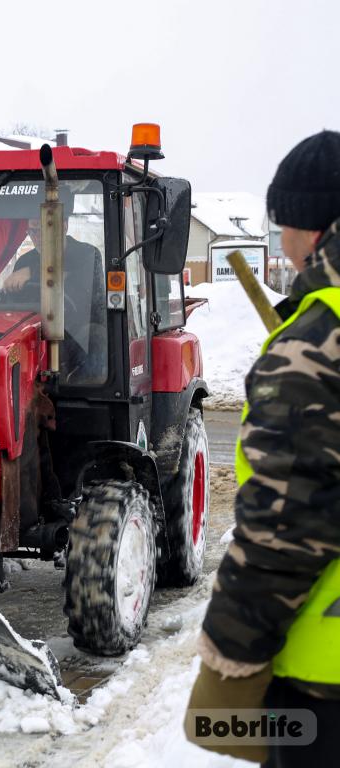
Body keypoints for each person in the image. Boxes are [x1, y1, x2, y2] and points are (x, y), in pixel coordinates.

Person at [187, 131, 340, 766]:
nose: (282, 241)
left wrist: (231, 662)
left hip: (321, 689)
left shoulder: (312, 346)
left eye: (286, 225)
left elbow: (286, 527)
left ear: (318, 231)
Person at [1, 207, 105, 383]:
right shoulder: (24, 261)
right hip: (37, 331)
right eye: (32, 231)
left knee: (97, 335)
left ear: (64, 226)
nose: (37, 236)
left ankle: (84, 389)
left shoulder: (87, 254)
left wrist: (33, 274)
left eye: (44, 229)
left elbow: (78, 291)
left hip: (77, 331)